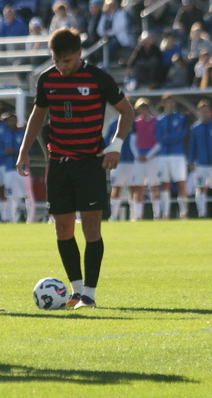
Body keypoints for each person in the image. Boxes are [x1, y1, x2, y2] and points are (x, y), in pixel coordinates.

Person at [16, 28, 134, 308]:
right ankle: (76, 291)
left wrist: (116, 146)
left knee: (92, 229)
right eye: (57, 60)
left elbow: (126, 111)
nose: (62, 66)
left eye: (67, 61)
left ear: (79, 54)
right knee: (62, 229)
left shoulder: (97, 78)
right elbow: (38, 115)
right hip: (58, 163)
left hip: (90, 162)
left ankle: (90, 295)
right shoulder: (47, 79)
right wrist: (24, 150)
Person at [156, 94, 189, 220]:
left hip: (177, 154)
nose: (171, 104)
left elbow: (181, 134)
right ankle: (165, 214)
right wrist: (171, 138)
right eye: (168, 102)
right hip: (163, 155)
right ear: (163, 104)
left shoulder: (181, 118)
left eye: (172, 102)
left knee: (180, 183)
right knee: (165, 184)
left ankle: (184, 213)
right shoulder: (159, 120)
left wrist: (168, 138)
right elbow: (158, 138)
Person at [130, 98, 162, 220]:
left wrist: (148, 156)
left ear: (148, 109)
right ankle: (137, 215)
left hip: (152, 158)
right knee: (139, 186)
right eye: (139, 109)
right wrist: (138, 155)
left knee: (154, 186)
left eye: (143, 108)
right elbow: (133, 142)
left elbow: (158, 142)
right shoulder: (135, 123)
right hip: (139, 159)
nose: (141, 111)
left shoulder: (156, 121)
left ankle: (157, 214)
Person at [106, 103, 136, 221]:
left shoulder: (134, 123)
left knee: (133, 188)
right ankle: (114, 216)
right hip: (117, 161)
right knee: (116, 188)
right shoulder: (113, 123)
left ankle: (134, 216)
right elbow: (106, 138)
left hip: (132, 161)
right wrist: (110, 151)